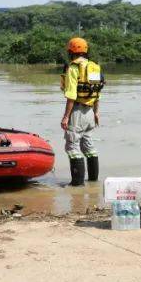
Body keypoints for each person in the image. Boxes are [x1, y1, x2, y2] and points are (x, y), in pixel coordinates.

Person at [60, 37, 104, 186]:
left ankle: (77, 186)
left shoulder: (73, 68)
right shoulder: (94, 67)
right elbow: (96, 93)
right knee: (89, 146)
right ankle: (93, 182)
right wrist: (96, 113)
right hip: (91, 112)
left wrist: (66, 117)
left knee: (72, 146)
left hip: (77, 111)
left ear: (71, 51)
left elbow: (71, 95)